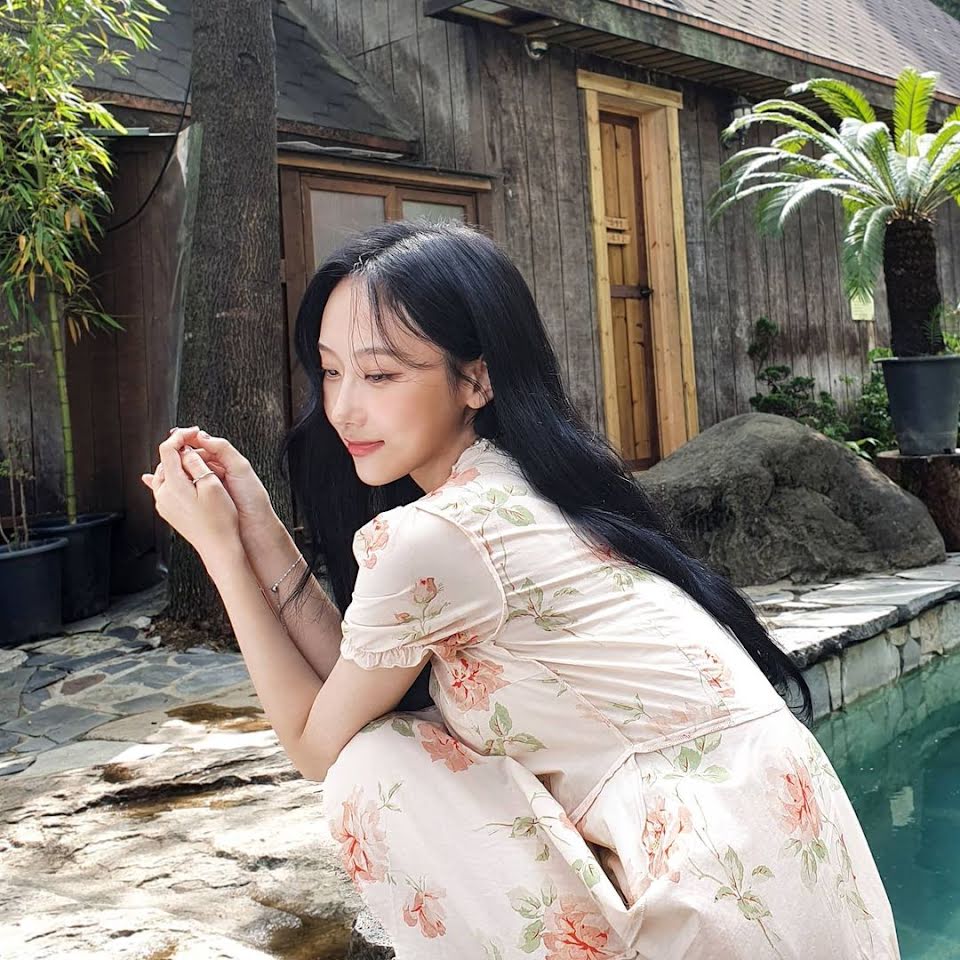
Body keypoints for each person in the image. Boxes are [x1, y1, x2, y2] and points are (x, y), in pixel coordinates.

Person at [142, 221, 900, 959]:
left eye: (379, 374)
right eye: (330, 371)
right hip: (795, 881)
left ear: (476, 378)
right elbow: (356, 676)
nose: (342, 408)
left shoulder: (437, 536)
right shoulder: (538, 488)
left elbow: (316, 746)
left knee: (374, 769)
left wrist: (221, 553)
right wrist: (256, 524)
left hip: (705, 906)